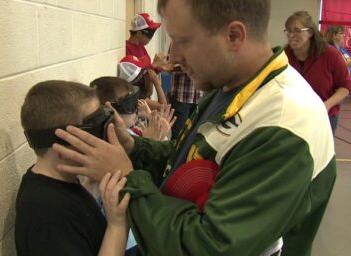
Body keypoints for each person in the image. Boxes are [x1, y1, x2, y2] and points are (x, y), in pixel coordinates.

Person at [52, 1, 337, 255]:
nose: (173, 57)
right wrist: (133, 147)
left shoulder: (283, 126)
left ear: (234, 36)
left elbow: (208, 246)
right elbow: (184, 162)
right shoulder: (229, 86)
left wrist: (127, 177)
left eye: (181, 40)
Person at [15, 80, 131, 256]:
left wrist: (92, 182)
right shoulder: (47, 214)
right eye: (97, 130)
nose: (105, 138)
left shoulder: (57, 180)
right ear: (62, 146)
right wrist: (118, 226)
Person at [284, 11, 351, 133]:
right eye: (288, 30)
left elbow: (345, 87)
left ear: (310, 32)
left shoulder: (331, 55)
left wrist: (326, 106)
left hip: (325, 116)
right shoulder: (284, 56)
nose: (291, 34)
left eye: (297, 30)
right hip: (295, 116)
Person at [169, 63, 205, 139]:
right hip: (181, 98)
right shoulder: (179, 50)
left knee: (195, 135)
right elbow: (169, 65)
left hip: (200, 98)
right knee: (178, 136)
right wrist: (193, 66)